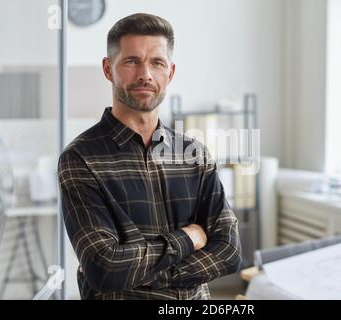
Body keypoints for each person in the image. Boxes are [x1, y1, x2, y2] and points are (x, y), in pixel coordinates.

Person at [57, 13, 242, 300]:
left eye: (157, 63)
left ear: (171, 72)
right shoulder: (81, 158)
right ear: (108, 69)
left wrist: (152, 279)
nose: (146, 74)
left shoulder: (195, 155)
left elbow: (229, 251)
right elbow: (105, 268)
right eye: (132, 61)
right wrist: (189, 238)